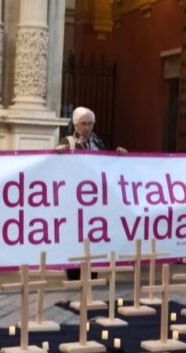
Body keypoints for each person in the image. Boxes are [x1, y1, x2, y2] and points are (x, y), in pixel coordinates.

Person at [58, 106, 126, 280]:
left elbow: (106, 164)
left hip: (94, 200)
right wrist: (58, 153)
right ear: (76, 124)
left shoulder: (98, 142)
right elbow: (59, 166)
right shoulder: (67, 142)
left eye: (90, 123)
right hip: (75, 198)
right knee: (75, 236)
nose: (87, 127)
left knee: (94, 235)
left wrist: (119, 156)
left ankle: (92, 272)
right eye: (84, 123)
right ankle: (73, 273)